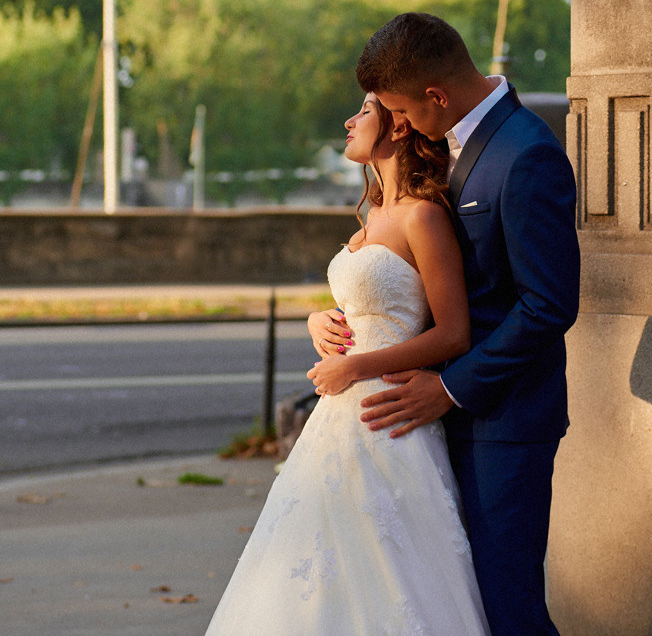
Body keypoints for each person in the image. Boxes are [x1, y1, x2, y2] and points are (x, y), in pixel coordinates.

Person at [310, 12, 580, 636]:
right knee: (447, 605)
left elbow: (548, 305)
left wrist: (451, 386)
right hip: (421, 422)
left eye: (402, 111)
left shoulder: (527, 153)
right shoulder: (440, 147)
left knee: (504, 607)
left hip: (500, 420)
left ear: (436, 95)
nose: (398, 124)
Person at [203, 92, 492, 636]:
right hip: (335, 428)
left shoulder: (424, 217)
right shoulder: (372, 214)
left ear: (399, 126)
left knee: (390, 578)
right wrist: (321, 319)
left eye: (364, 109)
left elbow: (453, 333)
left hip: (389, 419)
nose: (349, 120)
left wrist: (356, 368)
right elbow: (371, 305)